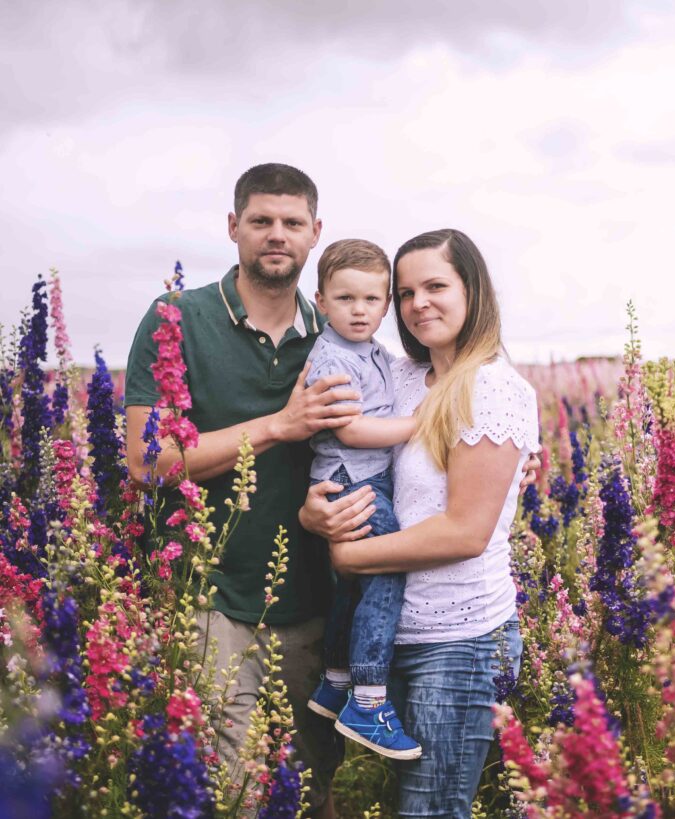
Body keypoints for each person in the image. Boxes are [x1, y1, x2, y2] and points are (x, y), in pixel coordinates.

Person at [124, 163, 378, 819]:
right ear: (233, 226)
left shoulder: (339, 332)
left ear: (315, 233)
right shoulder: (178, 318)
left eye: (292, 223)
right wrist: (277, 425)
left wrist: (506, 448)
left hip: (315, 599)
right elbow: (148, 462)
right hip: (211, 594)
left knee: (310, 785)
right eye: (261, 220)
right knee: (234, 791)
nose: (277, 234)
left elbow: (415, 406)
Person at [323, 228, 540, 817]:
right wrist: (314, 511)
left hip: (460, 644)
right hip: (387, 633)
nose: (419, 304)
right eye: (406, 292)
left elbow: (464, 532)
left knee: (431, 811)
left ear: (473, 290)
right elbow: (339, 457)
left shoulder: (493, 388)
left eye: (437, 286)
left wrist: (347, 556)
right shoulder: (397, 378)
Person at [302, 238, 421, 760]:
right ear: (321, 301)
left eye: (372, 300)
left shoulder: (374, 351)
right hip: (351, 480)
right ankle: (368, 698)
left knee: (360, 578)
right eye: (345, 299)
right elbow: (349, 430)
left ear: (386, 302)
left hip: (370, 479)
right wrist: (420, 425)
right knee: (389, 565)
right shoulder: (330, 357)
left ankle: (334, 680)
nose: (359, 310)